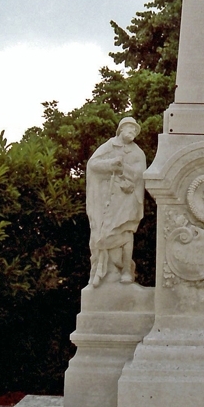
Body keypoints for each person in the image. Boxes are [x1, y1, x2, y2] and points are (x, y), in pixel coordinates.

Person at [86, 117, 146, 287]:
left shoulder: (137, 152)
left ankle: (126, 270)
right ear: (121, 129)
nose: (132, 132)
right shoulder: (110, 145)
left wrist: (124, 169)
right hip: (109, 199)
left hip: (127, 200)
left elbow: (140, 173)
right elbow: (93, 164)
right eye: (130, 129)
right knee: (102, 233)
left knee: (125, 232)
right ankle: (102, 271)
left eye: (135, 130)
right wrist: (111, 163)